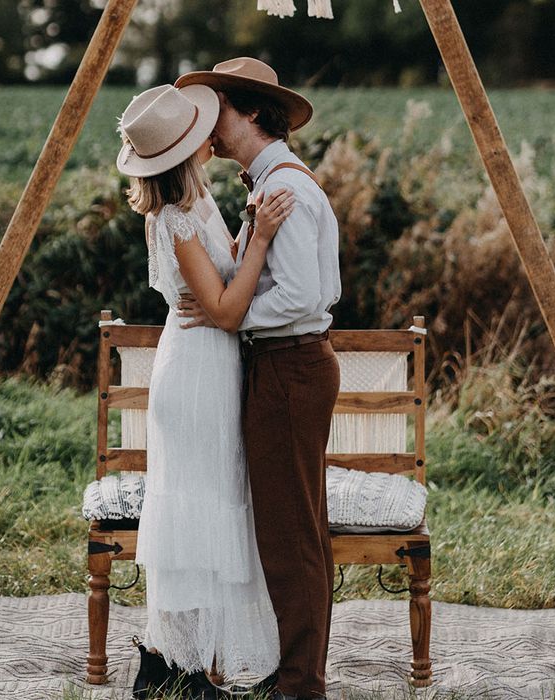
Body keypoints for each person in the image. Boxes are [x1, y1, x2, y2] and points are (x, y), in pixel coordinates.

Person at [116, 83, 295, 699]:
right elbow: (222, 308)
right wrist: (264, 241)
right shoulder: (177, 218)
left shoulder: (198, 204)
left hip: (209, 365)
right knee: (195, 512)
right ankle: (180, 668)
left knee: (205, 507)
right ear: (185, 150)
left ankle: (166, 660)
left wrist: (246, 236)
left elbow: (221, 283)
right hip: (196, 372)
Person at [174, 58, 342, 700]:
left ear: (246, 111)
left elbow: (304, 297)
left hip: (290, 365)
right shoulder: (269, 180)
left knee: (290, 532)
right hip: (285, 364)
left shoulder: (284, 189)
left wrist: (227, 318)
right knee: (293, 527)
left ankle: (301, 684)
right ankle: (300, 672)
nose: (201, 124)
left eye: (211, 108)